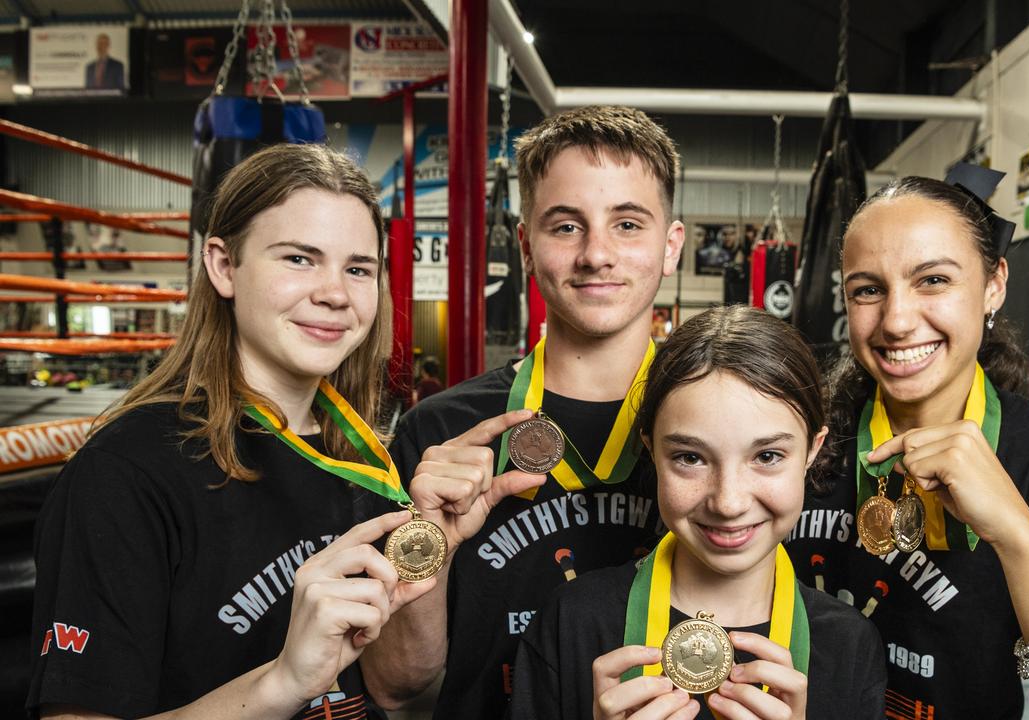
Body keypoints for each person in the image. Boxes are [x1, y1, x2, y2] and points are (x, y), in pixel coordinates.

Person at [26, 144, 433, 720]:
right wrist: (281, 683)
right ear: (222, 265)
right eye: (298, 259)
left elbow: (396, 686)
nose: (335, 293)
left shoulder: (362, 459)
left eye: (358, 268)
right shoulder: (125, 474)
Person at [785, 170, 1029, 718]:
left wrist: (1016, 534)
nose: (897, 320)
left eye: (933, 280)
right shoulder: (800, 442)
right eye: (868, 289)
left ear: (993, 284)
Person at [358, 105, 686, 717]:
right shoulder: (441, 432)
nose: (596, 254)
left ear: (672, 247)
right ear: (526, 248)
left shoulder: (720, 430)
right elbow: (394, 686)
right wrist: (434, 544)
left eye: (628, 225)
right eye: (566, 227)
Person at [509, 306, 886, 720]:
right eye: (690, 458)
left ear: (812, 451)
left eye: (767, 455)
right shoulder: (571, 622)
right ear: (650, 449)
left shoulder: (850, 645)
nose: (728, 502)